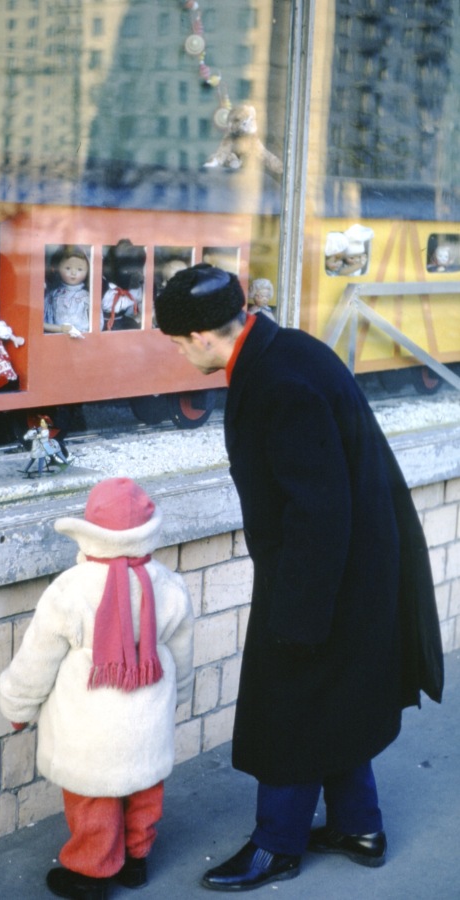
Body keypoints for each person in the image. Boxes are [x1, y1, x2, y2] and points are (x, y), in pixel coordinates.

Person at [154, 263, 443, 892]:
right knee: (334, 699)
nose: (177, 353)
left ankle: (277, 844)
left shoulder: (276, 382)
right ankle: (358, 827)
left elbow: (318, 511)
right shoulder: (287, 351)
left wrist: (299, 619)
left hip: (321, 575)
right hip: (353, 566)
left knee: (287, 705)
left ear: (204, 334)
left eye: (177, 341)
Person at [0, 477, 194, 900]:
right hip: (148, 717)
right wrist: (179, 697)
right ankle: (136, 861)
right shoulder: (168, 585)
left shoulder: (70, 589)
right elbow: (181, 654)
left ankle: (91, 874)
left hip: (88, 725)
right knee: (144, 790)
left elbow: (37, 659)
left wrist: (18, 704)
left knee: (93, 798)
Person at [44, 245, 99, 336]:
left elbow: (97, 324)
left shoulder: (88, 296)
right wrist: (61, 329)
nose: (73, 273)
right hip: (58, 339)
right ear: (58, 268)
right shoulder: (53, 295)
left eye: (80, 269)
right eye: (68, 268)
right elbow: (44, 323)